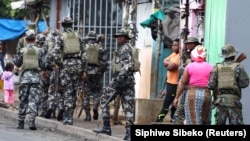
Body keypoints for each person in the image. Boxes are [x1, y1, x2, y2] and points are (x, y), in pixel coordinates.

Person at [93, 28, 136, 140]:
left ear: (126, 38)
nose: (118, 39)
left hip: (121, 80)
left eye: (121, 37)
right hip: (128, 80)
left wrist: (118, 82)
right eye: (117, 37)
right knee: (128, 107)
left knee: (104, 99)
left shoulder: (125, 49)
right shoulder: (126, 48)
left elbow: (126, 67)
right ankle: (129, 133)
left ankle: (107, 127)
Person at [46, 17, 87, 125]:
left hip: (66, 66)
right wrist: (83, 70)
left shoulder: (60, 37)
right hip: (78, 66)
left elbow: (54, 53)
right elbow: (84, 54)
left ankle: (68, 117)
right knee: (74, 91)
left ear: (63, 25)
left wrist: (59, 63)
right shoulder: (78, 36)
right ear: (71, 25)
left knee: (67, 91)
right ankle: (70, 114)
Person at [13, 29, 47, 130]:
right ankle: (32, 122)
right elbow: (43, 64)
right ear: (34, 39)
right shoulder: (39, 51)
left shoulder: (22, 50)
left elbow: (17, 62)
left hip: (24, 79)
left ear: (26, 39)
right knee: (33, 100)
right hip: (36, 79)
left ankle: (21, 122)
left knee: (23, 100)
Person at [207, 44, 249, 125]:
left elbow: (210, 85)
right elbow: (244, 84)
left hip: (220, 102)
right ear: (233, 55)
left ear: (224, 56)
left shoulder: (217, 67)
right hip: (234, 102)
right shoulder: (238, 67)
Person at [173, 45, 213, 125]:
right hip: (206, 94)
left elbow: (183, 83)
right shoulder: (211, 67)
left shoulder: (189, 66)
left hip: (192, 94)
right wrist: (215, 98)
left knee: (192, 120)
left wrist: (177, 97)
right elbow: (214, 84)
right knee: (205, 120)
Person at [173, 37, 201, 125]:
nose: (188, 45)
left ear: (195, 44)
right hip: (185, 86)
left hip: (193, 88)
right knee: (180, 113)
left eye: (190, 43)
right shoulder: (186, 54)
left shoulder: (199, 55)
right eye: (187, 43)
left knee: (191, 113)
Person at [82, 31, 108, 121]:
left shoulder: (84, 48)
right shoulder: (100, 48)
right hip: (97, 72)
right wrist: (101, 72)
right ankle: (95, 107)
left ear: (88, 38)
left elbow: (81, 61)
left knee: (86, 95)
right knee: (97, 92)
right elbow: (105, 62)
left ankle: (87, 115)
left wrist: (83, 72)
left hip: (86, 73)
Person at [155, 38, 180, 122]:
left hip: (175, 84)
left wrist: (169, 64)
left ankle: (158, 120)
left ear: (180, 46)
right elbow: (164, 61)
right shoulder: (173, 54)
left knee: (168, 103)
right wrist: (170, 64)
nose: (173, 47)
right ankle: (173, 120)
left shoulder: (179, 56)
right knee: (171, 104)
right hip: (169, 83)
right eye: (172, 45)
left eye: (175, 45)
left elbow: (171, 67)